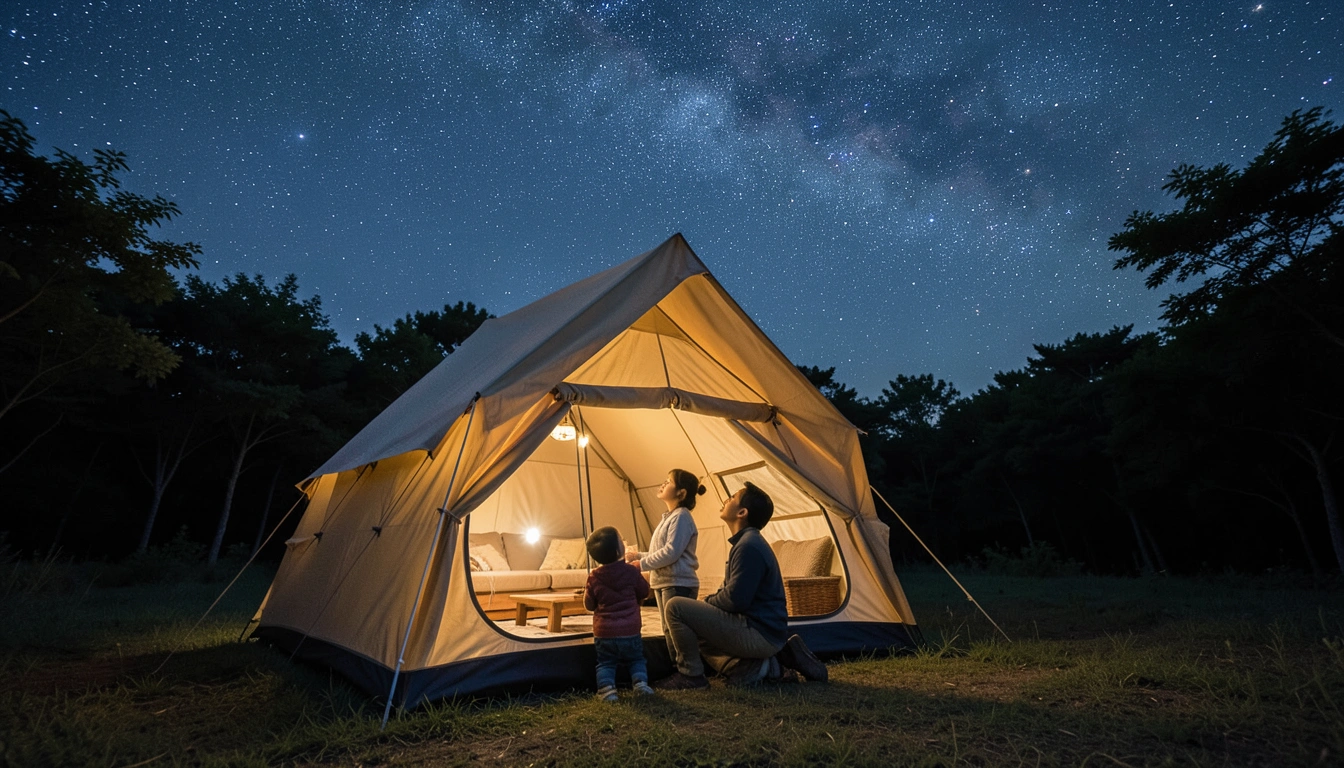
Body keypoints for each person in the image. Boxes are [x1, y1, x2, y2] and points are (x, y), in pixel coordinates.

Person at [654, 482, 828, 690]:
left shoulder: (749, 546)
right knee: (694, 621)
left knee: (675, 607)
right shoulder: (745, 543)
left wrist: (708, 602)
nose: (726, 500)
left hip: (760, 634)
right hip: (759, 631)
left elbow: (735, 599)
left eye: (732, 498)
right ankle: (762, 668)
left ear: (742, 512)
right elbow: (731, 594)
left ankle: (691, 676)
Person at [626, 468, 701, 662]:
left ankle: (688, 669)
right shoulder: (668, 517)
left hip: (678, 583)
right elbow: (661, 551)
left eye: (668, 482)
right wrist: (638, 555)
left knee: (678, 628)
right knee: (667, 627)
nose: (663, 484)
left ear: (681, 493)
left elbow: (671, 553)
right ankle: (677, 668)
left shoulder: (682, 517)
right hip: (664, 581)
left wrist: (640, 564)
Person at [584, 526, 654, 702]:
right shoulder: (631, 572)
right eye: (621, 539)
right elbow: (644, 591)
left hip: (605, 632)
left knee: (606, 663)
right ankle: (640, 685)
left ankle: (607, 690)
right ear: (618, 550)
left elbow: (589, 604)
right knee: (636, 659)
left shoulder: (594, 577)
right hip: (630, 630)